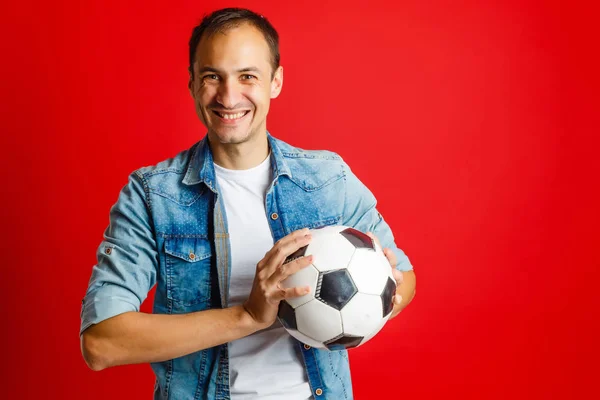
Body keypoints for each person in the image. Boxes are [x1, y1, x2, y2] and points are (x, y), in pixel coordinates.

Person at [79, 7, 416, 400]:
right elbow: (101, 343)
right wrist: (247, 317)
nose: (228, 96)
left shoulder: (328, 180)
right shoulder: (152, 196)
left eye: (247, 77)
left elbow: (404, 279)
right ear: (191, 84)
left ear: (275, 81)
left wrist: (375, 297)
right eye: (212, 77)